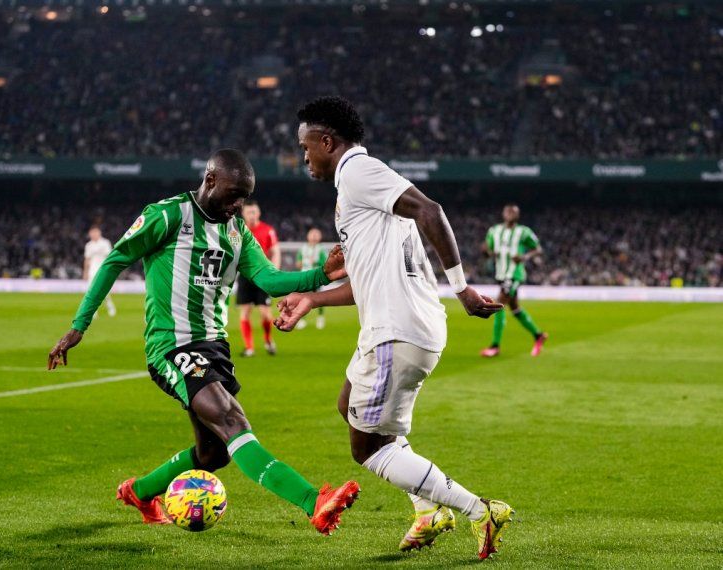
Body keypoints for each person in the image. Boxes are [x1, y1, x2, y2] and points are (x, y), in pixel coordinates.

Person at [47, 149, 359, 535]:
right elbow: (114, 260)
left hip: (214, 348)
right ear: (210, 180)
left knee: (212, 454)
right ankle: (314, 501)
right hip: (172, 346)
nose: (238, 205)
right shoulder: (168, 215)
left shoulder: (236, 231)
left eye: (243, 197)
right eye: (232, 195)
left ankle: (140, 492)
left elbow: (270, 280)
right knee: (232, 419)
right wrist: (79, 326)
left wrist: (320, 274)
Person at [275, 96, 513, 560]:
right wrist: (312, 299)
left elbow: (432, 210)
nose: (303, 157)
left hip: (398, 330)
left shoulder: (359, 173)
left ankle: (477, 510)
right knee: (349, 405)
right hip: (398, 328)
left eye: (306, 147)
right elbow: (365, 281)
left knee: (365, 448)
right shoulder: (361, 190)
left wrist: (463, 289)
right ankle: (427, 510)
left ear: (328, 141)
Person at [481, 204, 547, 357]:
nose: (510, 213)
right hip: (501, 274)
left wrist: (525, 257)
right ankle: (538, 335)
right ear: (503, 214)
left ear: (518, 215)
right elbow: (489, 251)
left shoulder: (523, 232)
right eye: (508, 211)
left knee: (498, 304)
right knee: (515, 309)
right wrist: (485, 251)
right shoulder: (494, 231)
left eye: (514, 211)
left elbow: (538, 249)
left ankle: (495, 346)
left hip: (514, 274)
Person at [235, 199, 279, 356]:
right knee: (245, 312)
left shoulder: (268, 230)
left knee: (265, 313)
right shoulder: (238, 230)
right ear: (243, 213)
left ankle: (268, 341)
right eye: (248, 212)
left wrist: (274, 271)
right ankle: (249, 347)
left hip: (263, 275)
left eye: (254, 212)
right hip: (245, 276)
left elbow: (275, 251)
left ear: (258, 212)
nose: (252, 215)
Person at [295, 228, 328, 330]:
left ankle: (320, 318)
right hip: (305, 277)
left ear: (319, 237)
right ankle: (302, 320)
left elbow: (325, 264)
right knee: (303, 299)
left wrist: (315, 263)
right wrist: (300, 264)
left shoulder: (321, 249)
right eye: (312, 234)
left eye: (316, 234)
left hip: (316, 278)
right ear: (308, 236)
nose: (313, 236)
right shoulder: (303, 248)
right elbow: (298, 263)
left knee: (318, 298)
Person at [83, 226, 116, 318]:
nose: (93, 235)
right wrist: (85, 272)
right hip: (92, 271)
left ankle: (110, 306)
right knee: (91, 291)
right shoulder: (88, 245)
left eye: (95, 232)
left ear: (99, 233)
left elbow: (109, 257)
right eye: (91, 233)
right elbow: (87, 259)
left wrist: (110, 270)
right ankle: (93, 312)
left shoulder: (105, 243)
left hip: (103, 270)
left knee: (104, 291)